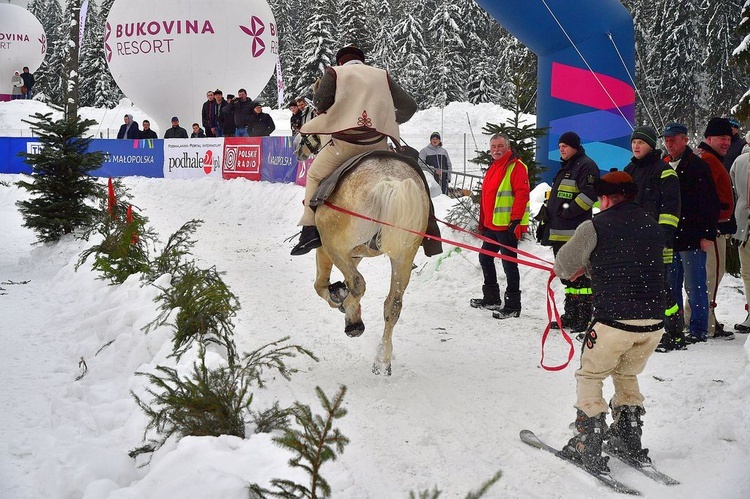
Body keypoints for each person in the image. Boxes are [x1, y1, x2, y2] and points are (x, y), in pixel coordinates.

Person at [554, 171, 665, 473]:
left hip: (613, 320)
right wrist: (592, 268)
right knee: (626, 372)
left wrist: (578, 268)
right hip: (653, 323)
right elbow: (632, 263)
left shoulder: (594, 226)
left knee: (590, 375)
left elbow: (563, 265)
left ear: (603, 198)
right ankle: (629, 436)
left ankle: (586, 441)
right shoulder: (652, 226)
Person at [290, 45, 418, 256]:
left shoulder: (335, 72)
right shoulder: (381, 75)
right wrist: (389, 120)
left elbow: (321, 104)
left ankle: (310, 230)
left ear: (341, 62)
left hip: (345, 146)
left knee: (313, 174)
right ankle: (426, 226)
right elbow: (409, 107)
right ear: (362, 61)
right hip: (378, 146)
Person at [622, 125, 683, 352]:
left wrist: (662, 237)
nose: (636, 146)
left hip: (657, 243)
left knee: (662, 290)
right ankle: (643, 333)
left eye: (641, 142)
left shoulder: (664, 171)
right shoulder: (629, 169)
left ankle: (674, 334)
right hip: (631, 241)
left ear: (651, 145)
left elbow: (670, 209)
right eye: (634, 142)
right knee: (635, 289)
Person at [662, 122, 720, 345]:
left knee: (695, 286)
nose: (669, 144)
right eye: (666, 140)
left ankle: (698, 329)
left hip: (693, 235)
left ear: (685, 140)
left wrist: (707, 234)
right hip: (672, 236)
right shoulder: (665, 164)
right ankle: (675, 326)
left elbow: (709, 202)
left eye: (673, 139)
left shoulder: (697, 166)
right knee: (671, 284)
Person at [540, 131, 599, 332]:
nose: (561, 149)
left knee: (581, 279)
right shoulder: (565, 167)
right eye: (560, 146)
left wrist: (568, 211)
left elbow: (589, 195)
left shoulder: (586, 166)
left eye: (565, 146)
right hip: (559, 233)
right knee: (568, 278)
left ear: (575, 146)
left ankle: (584, 316)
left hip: (575, 234)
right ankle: (571, 315)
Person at [469, 133, 530, 319]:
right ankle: (492, 298)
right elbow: (488, 197)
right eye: (493, 146)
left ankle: (513, 305)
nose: (496, 149)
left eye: (500, 146)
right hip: (492, 225)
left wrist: (516, 221)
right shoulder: (493, 167)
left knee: (509, 264)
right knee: (485, 258)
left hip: (507, 227)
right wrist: (483, 221)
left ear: (508, 147)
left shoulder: (516, 167)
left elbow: (522, 194)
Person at [696, 117, 736, 339]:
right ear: (708, 138)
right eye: (721, 138)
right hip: (714, 229)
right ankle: (707, 321)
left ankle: (699, 318)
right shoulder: (709, 160)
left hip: (710, 227)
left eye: (729, 138)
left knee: (704, 276)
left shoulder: (708, 158)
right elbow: (708, 197)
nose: (726, 142)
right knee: (712, 274)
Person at [730, 149, 750, 333]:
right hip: (744, 225)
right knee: (747, 272)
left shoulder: (740, 161)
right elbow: (734, 192)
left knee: (748, 272)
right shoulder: (741, 161)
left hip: (743, 223)